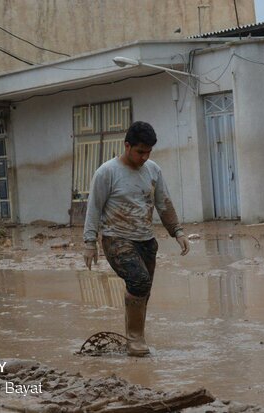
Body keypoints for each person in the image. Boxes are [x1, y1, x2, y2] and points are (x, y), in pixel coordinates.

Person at [82, 120, 190, 357]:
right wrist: (89, 242)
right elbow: (94, 208)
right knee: (139, 281)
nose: (144, 157)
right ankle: (135, 340)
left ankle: (134, 337)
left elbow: (164, 203)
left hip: (146, 240)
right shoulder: (107, 172)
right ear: (127, 146)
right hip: (116, 238)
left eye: (148, 152)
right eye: (140, 152)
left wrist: (178, 232)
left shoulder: (153, 170)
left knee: (143, 290)